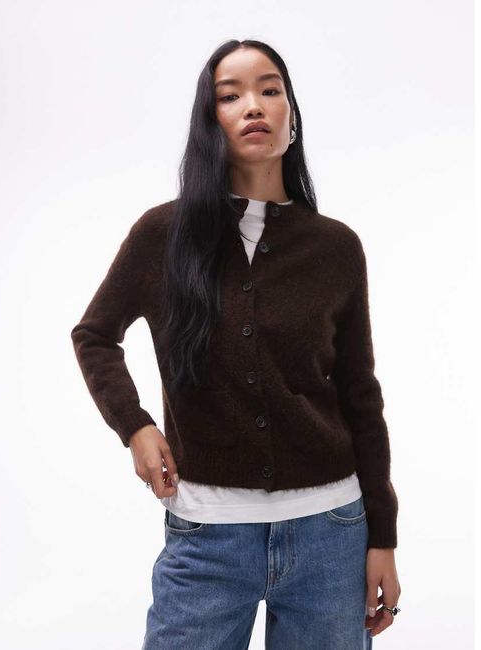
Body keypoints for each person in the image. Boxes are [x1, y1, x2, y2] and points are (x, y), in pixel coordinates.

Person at [71, 38, 401, 649]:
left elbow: (360, 392)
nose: (254, 105)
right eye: (231, 96)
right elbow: (95, 335)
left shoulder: (335, 247)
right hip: (206, 536)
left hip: (332, 533)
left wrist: (382, 536)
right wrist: (135, 426)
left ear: (291, 116)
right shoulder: (163, 234)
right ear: (210, 120)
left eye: (270, 90)